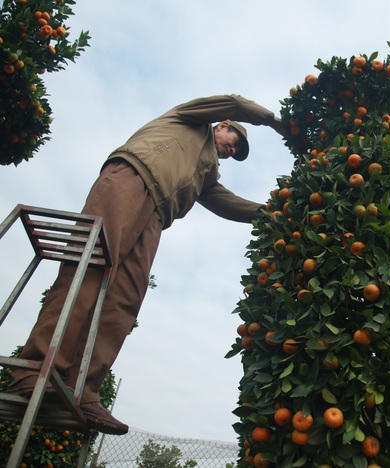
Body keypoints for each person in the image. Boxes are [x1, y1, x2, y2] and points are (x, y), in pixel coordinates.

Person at [7, 94, 287, 435]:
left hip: (157, 215)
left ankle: (83, 388)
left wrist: (274, 213)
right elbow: (231, 101)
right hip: (131, 178)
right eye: (234, 142)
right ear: (223, 126)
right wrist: (273, 121)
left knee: (125, 298)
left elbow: (226, 204)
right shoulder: (192, 119)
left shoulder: (206, 173)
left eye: (237, 152)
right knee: (90, 268)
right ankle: (34, 370)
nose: (233, 150)